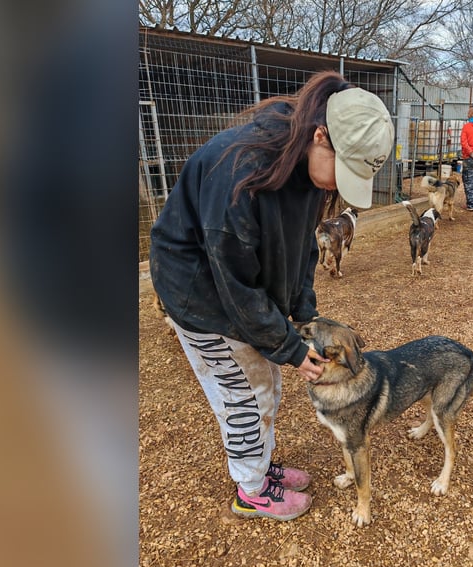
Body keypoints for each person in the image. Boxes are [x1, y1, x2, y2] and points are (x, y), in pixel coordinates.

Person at [149, 71, 394, 522]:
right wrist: (288, 347)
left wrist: (302, 317)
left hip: (239, 287)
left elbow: (301, 249)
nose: (336, 187)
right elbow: (235, 285)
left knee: (267, 384)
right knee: (245, 395)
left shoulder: (302, 168)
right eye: (342, 171)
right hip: (202, 298)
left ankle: (259, 469)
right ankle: (251, 489)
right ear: (321, 135)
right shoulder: (239, 170)